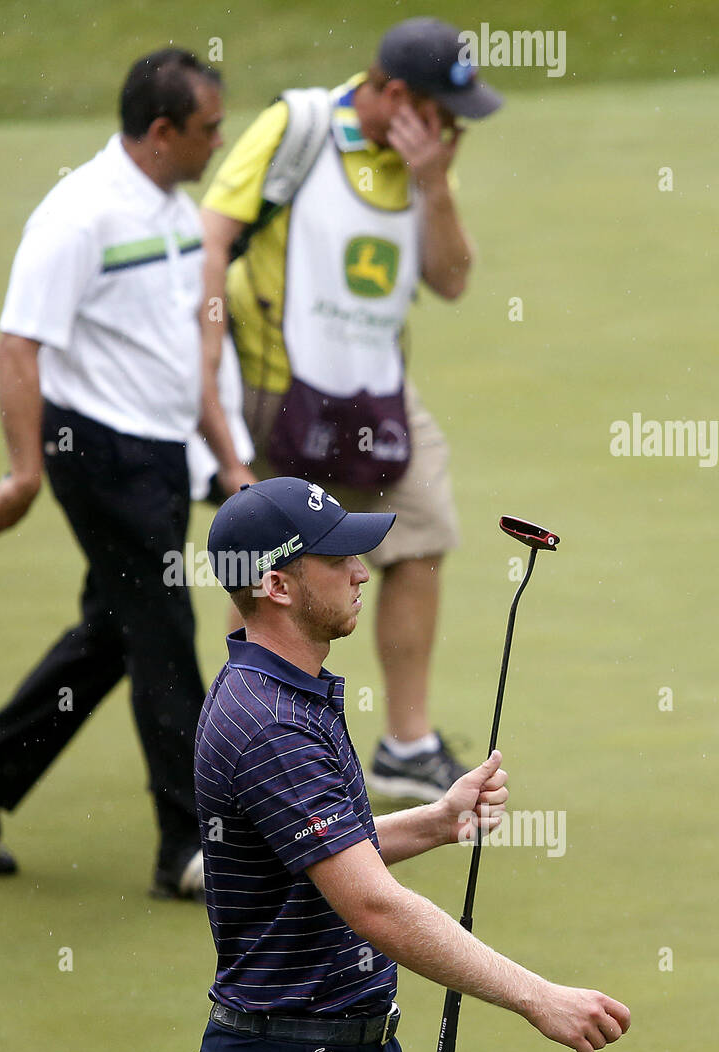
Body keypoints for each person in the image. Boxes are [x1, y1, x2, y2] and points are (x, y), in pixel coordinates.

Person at [194, 477, 630, 1052]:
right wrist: (537, 997)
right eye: (336, 560)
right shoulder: (272, 726)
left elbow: (324, 851)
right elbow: (375, 905)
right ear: (276, 586)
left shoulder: (280, 689)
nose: (361, 573)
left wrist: (436, 820)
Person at [0, 49, 255, 898]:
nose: (221, 140)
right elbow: (18, 344)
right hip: (97, 453)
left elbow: (187, 359)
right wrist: (24, 472)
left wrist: (230, 462)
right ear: (163, 130)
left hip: (164, 450)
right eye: (210, 127)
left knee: (118, 626)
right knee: (167, 630)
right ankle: (187, 844)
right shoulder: (77, 216)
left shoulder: (176, 212)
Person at [198, 17, 504, 801]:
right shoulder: (295, 127)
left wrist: (435, 184)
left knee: (424, 531)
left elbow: (453, 278)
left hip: (378, 392)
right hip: (274, 390)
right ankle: (251, 751)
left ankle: (406, 742)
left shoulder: (426, 160)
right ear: (397, 95)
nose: (452, 129)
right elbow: (213, 235)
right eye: (443, 110)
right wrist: (210, 382)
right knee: (267, 570)